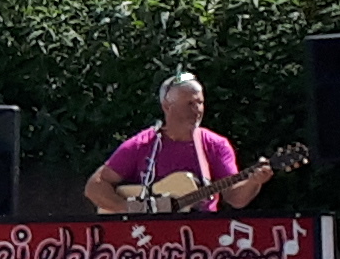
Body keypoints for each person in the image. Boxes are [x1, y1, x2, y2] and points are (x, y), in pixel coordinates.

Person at [87, 71, 255, 215]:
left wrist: (255, 181)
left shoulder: (216, 145)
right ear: (167, 106)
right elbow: (95, 187)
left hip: (201, 238)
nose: (197, 110)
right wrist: (131, 209)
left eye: (200, 103)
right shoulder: (143, 144)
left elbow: (236, 199)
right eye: (189, 104)